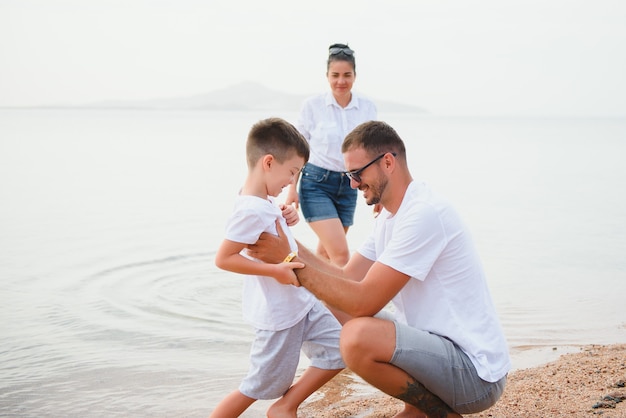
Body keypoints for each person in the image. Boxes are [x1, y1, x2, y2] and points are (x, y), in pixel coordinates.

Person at [248, 121, 511, 417]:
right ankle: (416, 410)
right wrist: (287, 243)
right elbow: (346, 278)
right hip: (441, 355)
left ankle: (438, 413)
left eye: (357, 173)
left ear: (387, 162)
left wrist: (288, 263)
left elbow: (364, 302)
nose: (352, 184)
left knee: (357, 337)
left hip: (474, 375)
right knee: (334, 307)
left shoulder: (424, 214)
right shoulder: (391, 216)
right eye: (349, 174)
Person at [209, 118, 344, 418]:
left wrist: (283, 215)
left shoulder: (260, 200)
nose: (290, 182)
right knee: (256, 386)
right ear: (268, 162)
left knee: (341, 349)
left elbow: (266, 222)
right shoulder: (251, 209)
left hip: (301, 304)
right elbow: (224, 258)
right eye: (292, 172)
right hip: (280, 316)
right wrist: (276, 271)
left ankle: (285, 407)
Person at [285, 43, 377, 267]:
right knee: (341, 255)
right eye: (335, 75)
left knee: (325, 255)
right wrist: (291, 189)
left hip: (349, 187)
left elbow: (374, 152)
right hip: (316, 184)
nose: (341, 81)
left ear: (355, 75)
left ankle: (311, 299)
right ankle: (341, 301)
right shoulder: (312, 106)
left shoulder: (367, 107)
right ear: (327, 76)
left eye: (347, 75)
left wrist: (379, 193)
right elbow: (298, 150)